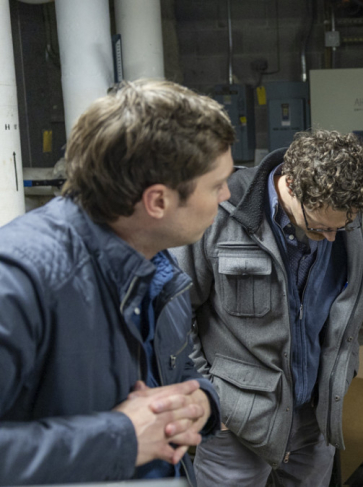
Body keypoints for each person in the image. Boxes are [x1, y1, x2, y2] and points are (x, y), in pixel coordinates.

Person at [0, 80, 233, 484]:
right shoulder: (20, 277)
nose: (227, 195)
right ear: (157, 201)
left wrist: (201, 404)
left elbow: (178, 373)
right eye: (216, 185)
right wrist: (119, 438)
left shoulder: (157, 267)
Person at [171, 129, 363, 487]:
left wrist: (342, 375)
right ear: (292, 186)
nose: (332, 238)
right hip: (236, 423)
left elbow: (344, 315)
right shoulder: (220, 211)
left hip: (314, 419)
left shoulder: (340, 219)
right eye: (320, 228)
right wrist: (205, 393)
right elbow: (173, 312)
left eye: (341, 227)